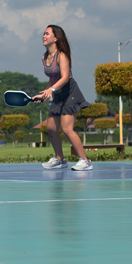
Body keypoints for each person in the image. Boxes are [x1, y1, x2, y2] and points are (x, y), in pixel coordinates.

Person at [35, 25, 92, 171]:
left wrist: (51, 89)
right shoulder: (44, 57)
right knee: (51, 128)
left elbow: (65, 77)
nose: (44, 36)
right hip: (58, 94)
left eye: (47, 34)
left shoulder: (62, 56)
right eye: (44, 33)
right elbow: (53, 77)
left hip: (70, 93)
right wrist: (44, 94)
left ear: (56, 38)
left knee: (67, 128)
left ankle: (85, 161)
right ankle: (60, 159)